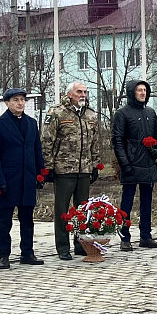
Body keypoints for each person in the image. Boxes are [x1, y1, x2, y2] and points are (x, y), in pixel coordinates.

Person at [42, 81, 109, 261]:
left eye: (85, 92)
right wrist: (48, 166)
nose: (83, 95)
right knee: (62, 210)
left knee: (83, 210)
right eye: (79, 92)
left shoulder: (90, 114)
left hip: (84, 169)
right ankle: (63, 247)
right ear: (69, 94)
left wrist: (95, 165)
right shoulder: (57, 112)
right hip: (64, 169)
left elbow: (95, 142)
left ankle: (81, 244)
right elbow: (47, 141)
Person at [0, 89, 44, 269]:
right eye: (16, 100)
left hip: (28, 178)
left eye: (22, 100)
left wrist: (40, 174)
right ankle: (4, 255)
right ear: (7, 103)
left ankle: (27, 253)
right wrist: (0, 181)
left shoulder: (31, 123)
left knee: (27, 220)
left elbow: (37, 151)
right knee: (5, 221)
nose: (20, 103)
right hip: (8, 180)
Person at [112, 79, 157, 249]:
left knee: (147, 202)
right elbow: (117, 141)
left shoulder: (150, 112)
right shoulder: (122, 113)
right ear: (131, 92)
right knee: (127, 203)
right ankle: (125, 237)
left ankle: (146, 236)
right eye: (139, 90)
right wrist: (125, 164)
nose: (142, 93)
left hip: (148, 163)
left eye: (145, 90)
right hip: (131, 163)